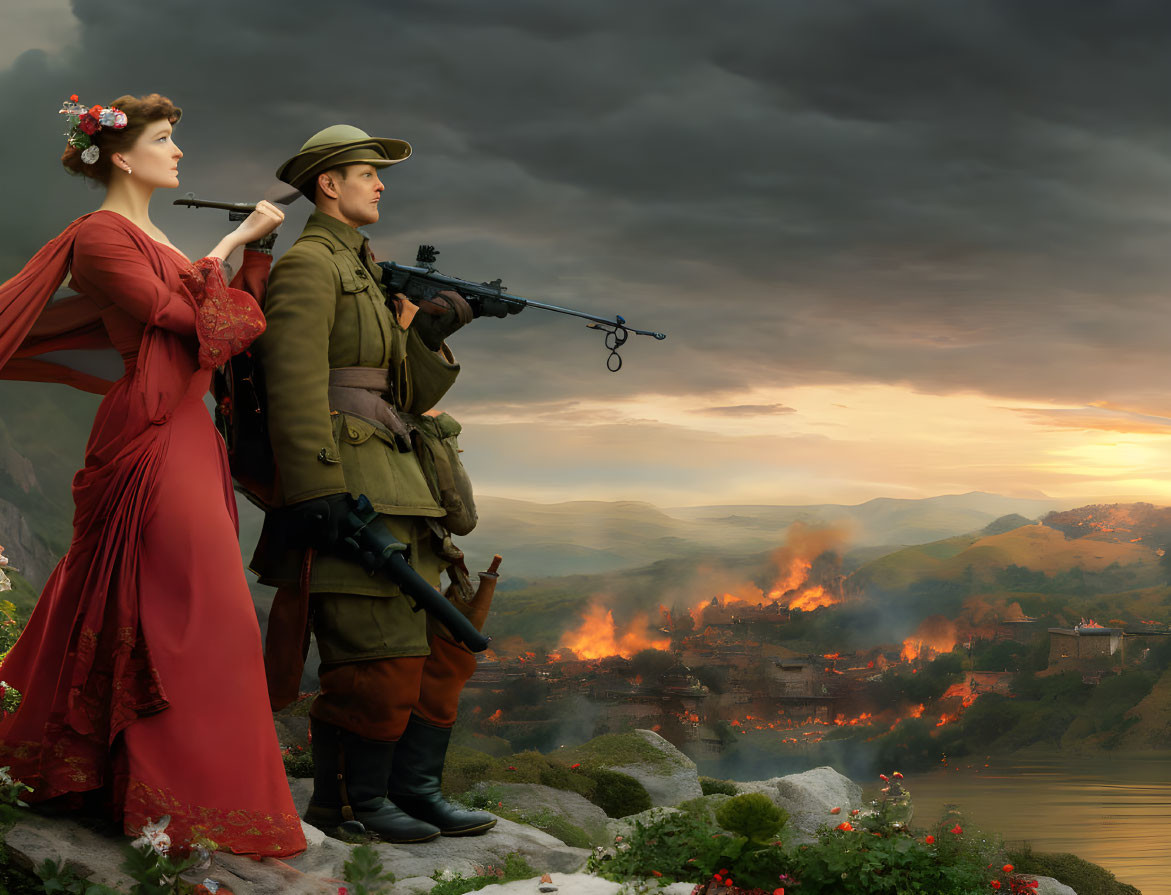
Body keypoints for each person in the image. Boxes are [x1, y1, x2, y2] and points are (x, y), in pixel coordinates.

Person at [0, 93, 306, 857]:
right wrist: (233, 241)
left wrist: (249, 255)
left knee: (176, 600)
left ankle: (137, 781)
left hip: (187, 430)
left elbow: (224, 329)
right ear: (121, 156)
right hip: (148, 426)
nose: (177, 152)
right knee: (191, 608)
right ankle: (168, 793)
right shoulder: (99, 237)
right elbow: (191, 322)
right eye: (165, 139)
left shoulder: (157, 234)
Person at [252, 125, 496, 843]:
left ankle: (410, 791)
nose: (380, 184)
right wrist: (314, 489)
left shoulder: (365, 269)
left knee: (431, 654)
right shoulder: (309, 266)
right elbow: (291, 383)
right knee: (374, 658)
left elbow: (407, 396)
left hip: (404, 488)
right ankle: (351, 803)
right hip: (349, 492)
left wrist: (430, 332)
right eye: (368, 173)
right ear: (329, 183)